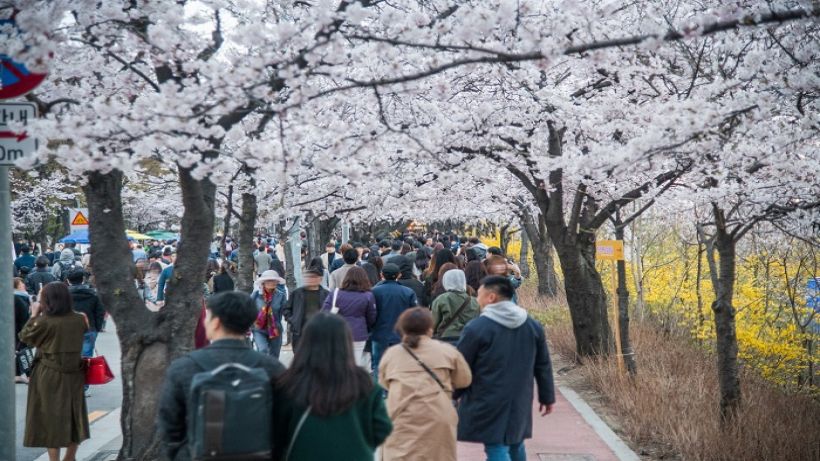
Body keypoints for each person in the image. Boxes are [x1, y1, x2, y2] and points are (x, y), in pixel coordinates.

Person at [158, 291, 286, 460]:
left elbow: (169, 429)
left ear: (216, 323)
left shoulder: (184, 367)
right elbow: (284, 426)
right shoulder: (271, 368)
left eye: (207, 317)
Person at [456, 276, 555, 461]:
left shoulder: (477, 328)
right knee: (515, 440)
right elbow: (543, 364)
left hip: (486, 396)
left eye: (479, 295)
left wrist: (452, 394)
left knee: (495, 444)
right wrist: (547, 397)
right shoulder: (532, 325)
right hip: (520, 395)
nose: (477, 299)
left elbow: (461, 367)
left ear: (491, 297)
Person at [272, 312, 392, 461]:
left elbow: (276, 434)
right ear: (345, 342)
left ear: (306, 342)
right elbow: (382, 428)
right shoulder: (364, 383)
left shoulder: (288, 383)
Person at [378, 308, 472, 461]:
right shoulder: (447, 351)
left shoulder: (392, 354)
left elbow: (384, 382)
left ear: (402, 328)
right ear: (430, 328)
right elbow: (464, 380)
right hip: (437, 415)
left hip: (400, 414)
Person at [19, 282, 90, 461]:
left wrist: (34, 314)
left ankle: (55, 460)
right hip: (74, 373)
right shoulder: (80, 318)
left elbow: (25, 337)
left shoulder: (44, 322)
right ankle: (70, 457)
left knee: (50, 418)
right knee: (75, 415)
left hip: (48, 374)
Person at [321, 266, 376, 368]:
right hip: (359, 333)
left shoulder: (336, 293)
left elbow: (324, 312)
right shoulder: (368, 295)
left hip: (338, 332)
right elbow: (371, 318)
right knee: (355, 363)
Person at [370, 263, 417, 376]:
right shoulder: (408, 292)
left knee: (378, 365)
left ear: (382, 275)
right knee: (400, 367)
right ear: (399, 275)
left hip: (379, 334)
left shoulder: (374, 291)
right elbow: (414, 314)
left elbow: (371, 313)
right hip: (401, 335)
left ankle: (380, 392)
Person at [284, 266, 329, 350]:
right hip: (300, 330)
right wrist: (292, 319)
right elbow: (287, 308)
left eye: (313, 277)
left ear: (320, 279)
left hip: (320, 331)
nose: (310, 279)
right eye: (308, 276)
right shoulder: (297, 293)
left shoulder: (326, 294)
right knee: (300, 357)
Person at [431, 269, 480, 344]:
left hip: (446, 338)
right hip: (469, 338)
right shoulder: (475, 301)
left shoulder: (441, 299)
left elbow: (434, 322)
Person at [66, 268, 105, 359]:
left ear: (68, 281)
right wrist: (97, 327)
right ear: (83, 279)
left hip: (67, 328)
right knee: (86, 357)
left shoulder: (63, 295)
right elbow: (100, 312)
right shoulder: (93, 294)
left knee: (70, 356)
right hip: (89, 327)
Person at [250, 270, 287, 358]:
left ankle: (273, 371)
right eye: (269, 280)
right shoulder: (256, 295)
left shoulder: (281, 296)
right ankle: (263, 370)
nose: (272, 282)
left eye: (274, 280)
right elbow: (248, 308)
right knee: (263, 350)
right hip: (258, 329)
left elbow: (285, 311)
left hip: (275, 329)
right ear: (263, 282)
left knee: (274, 355)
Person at [14, 277, 31, 384]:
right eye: (21, 284)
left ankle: (16, 374)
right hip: (20, 330)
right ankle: (30, 375)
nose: (24, 285)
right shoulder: (18, 298)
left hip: (18, 330)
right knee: (25, 352)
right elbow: (23, 317)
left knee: (20, 351)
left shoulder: (22, 297)